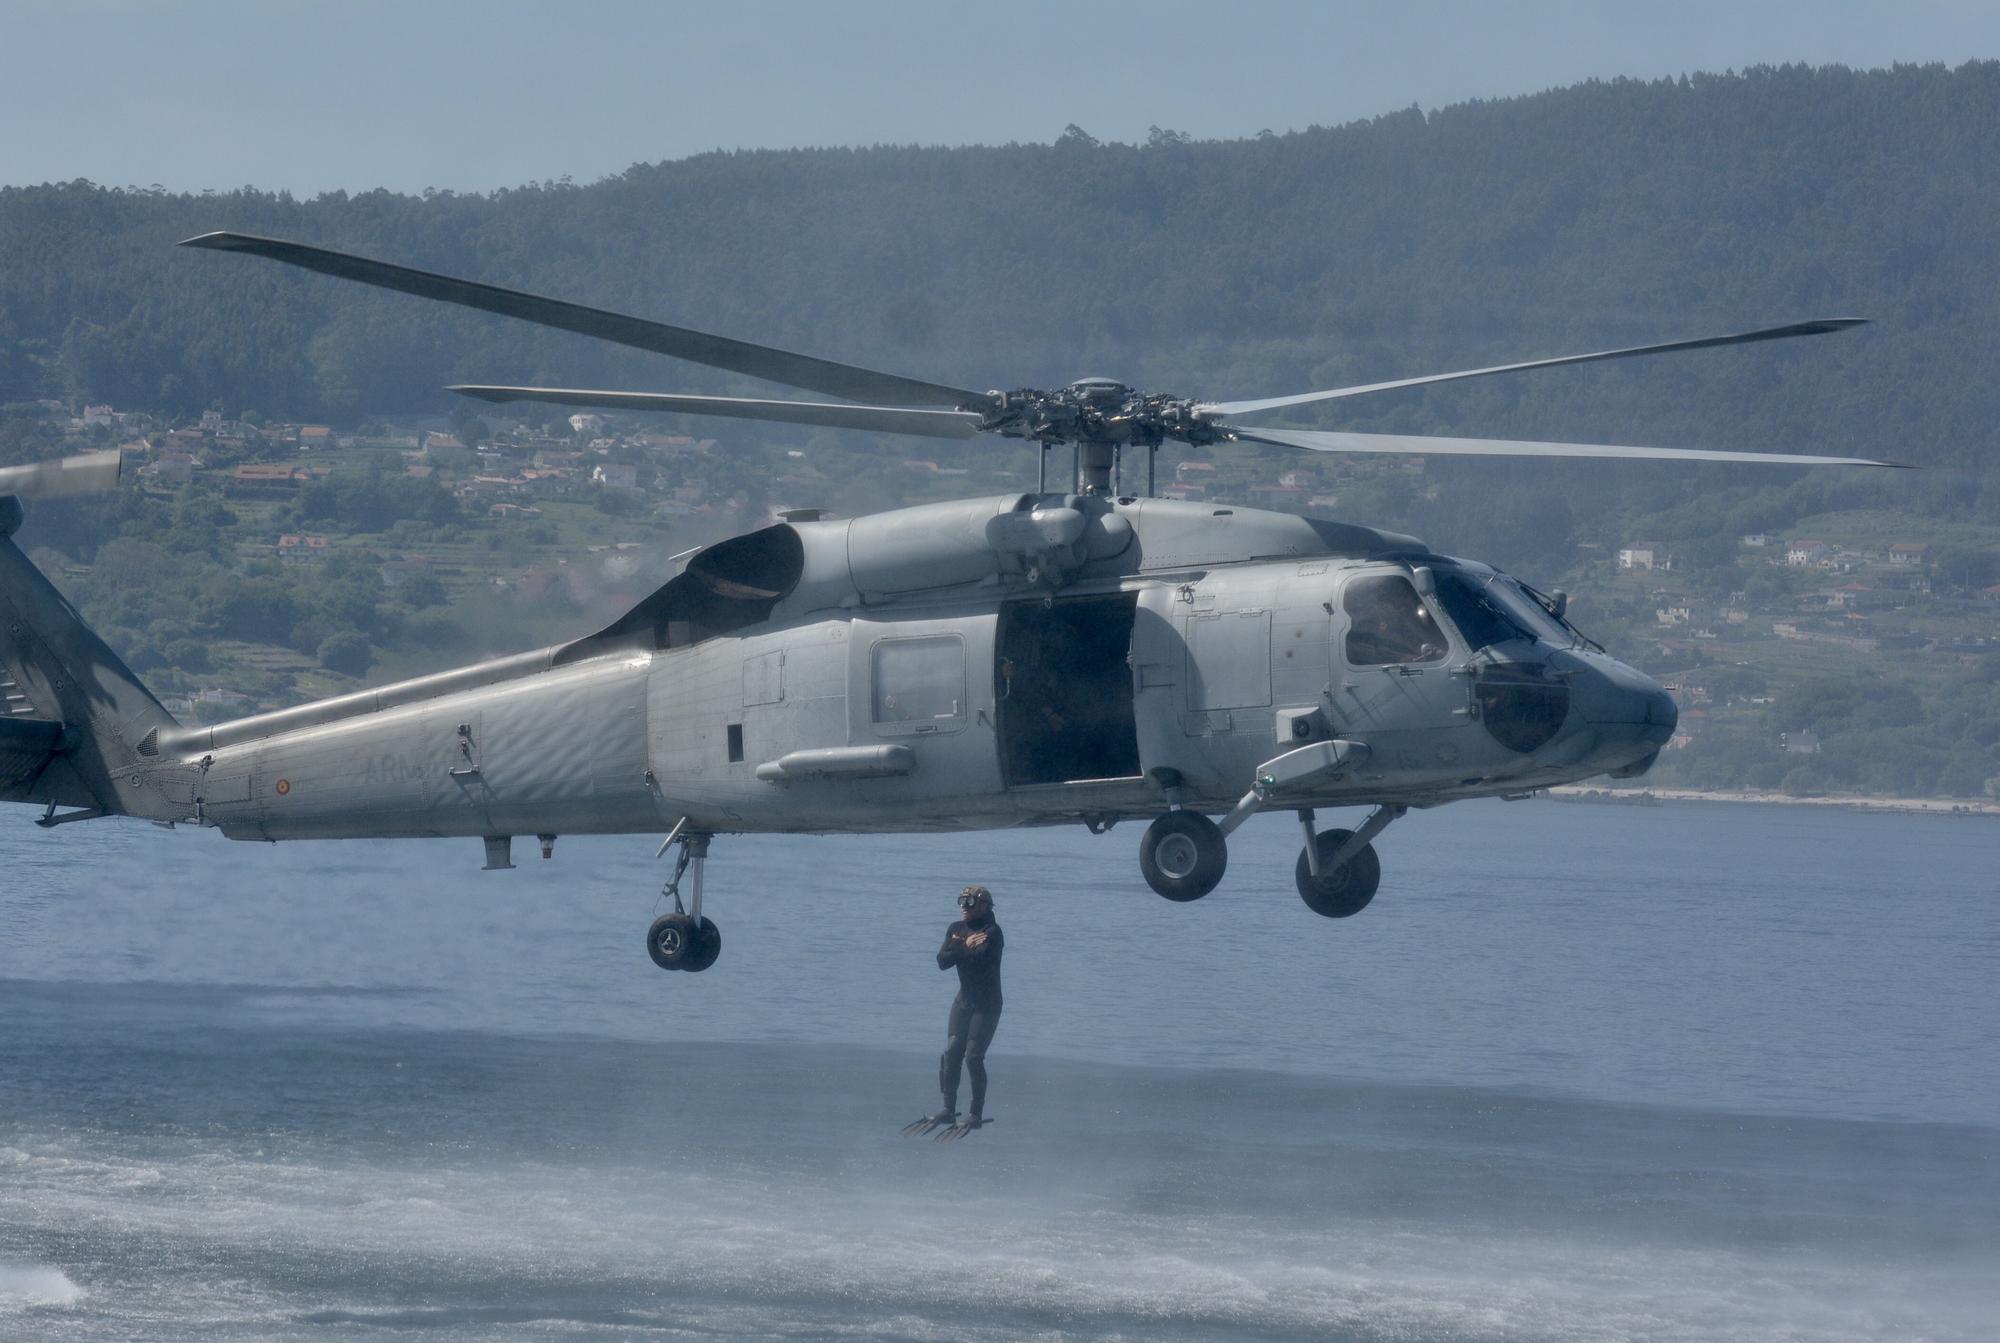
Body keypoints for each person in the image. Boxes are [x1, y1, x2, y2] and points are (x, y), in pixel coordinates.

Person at [926, 884, 1004, 1132]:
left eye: (969, 902)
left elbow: (978, 958)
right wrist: (964, 944)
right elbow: (942, 961)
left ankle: (975, 1114)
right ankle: (948, 1109)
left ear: (983, 906)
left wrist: (959, 948)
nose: (963, 907)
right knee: (951, 1052)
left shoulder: (993, 932)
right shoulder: (956, 929)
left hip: (987, 1005)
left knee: (972, 1057)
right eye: (961, 901)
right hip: (964, 1001)